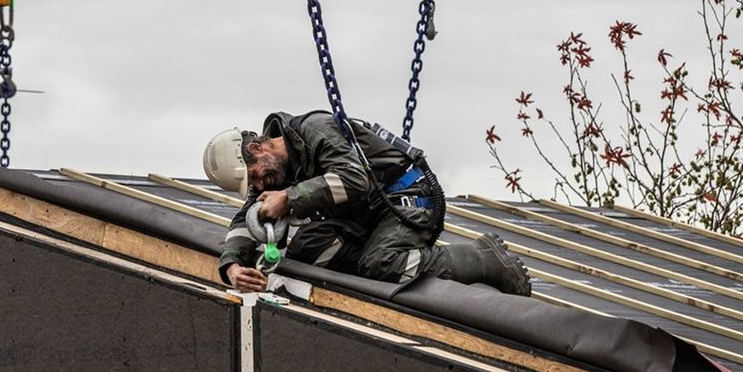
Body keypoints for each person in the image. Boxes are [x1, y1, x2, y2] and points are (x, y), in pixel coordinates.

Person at [202, 110, 531, 296]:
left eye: (255, 177)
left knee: (380, 265)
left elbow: (355, 179)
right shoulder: (277, 171)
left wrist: (290, 197)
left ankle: (482, 258)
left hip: (405, 197)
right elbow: (247, 219)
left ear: (257, 149)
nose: (259, 186)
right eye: (252, 185)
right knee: (306, 245)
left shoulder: (313, 130)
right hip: (368, 215)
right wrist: (231, 267)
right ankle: (378, 267)